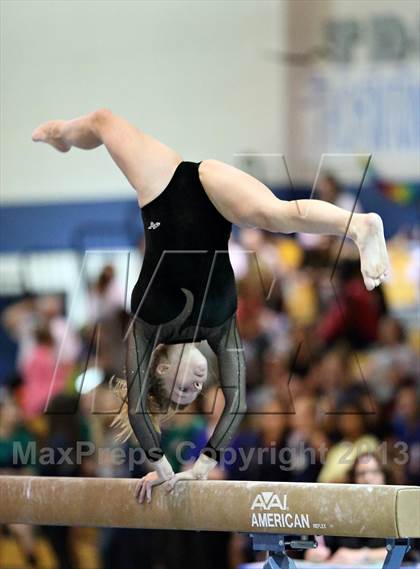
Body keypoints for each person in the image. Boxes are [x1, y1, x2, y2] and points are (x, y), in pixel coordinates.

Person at [32, 109, 389, 503]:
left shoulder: (148, 325)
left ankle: (62, 134)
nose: (198, 386)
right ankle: (359, 224)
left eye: (183, 387)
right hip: (215, 200)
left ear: (163, 368)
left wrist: (162, 468)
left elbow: (136, 408)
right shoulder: (220, 328)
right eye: (195, 392)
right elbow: (236, 403)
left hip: (163, 189)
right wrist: (202, 466)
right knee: (279, 214)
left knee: (101, 121)